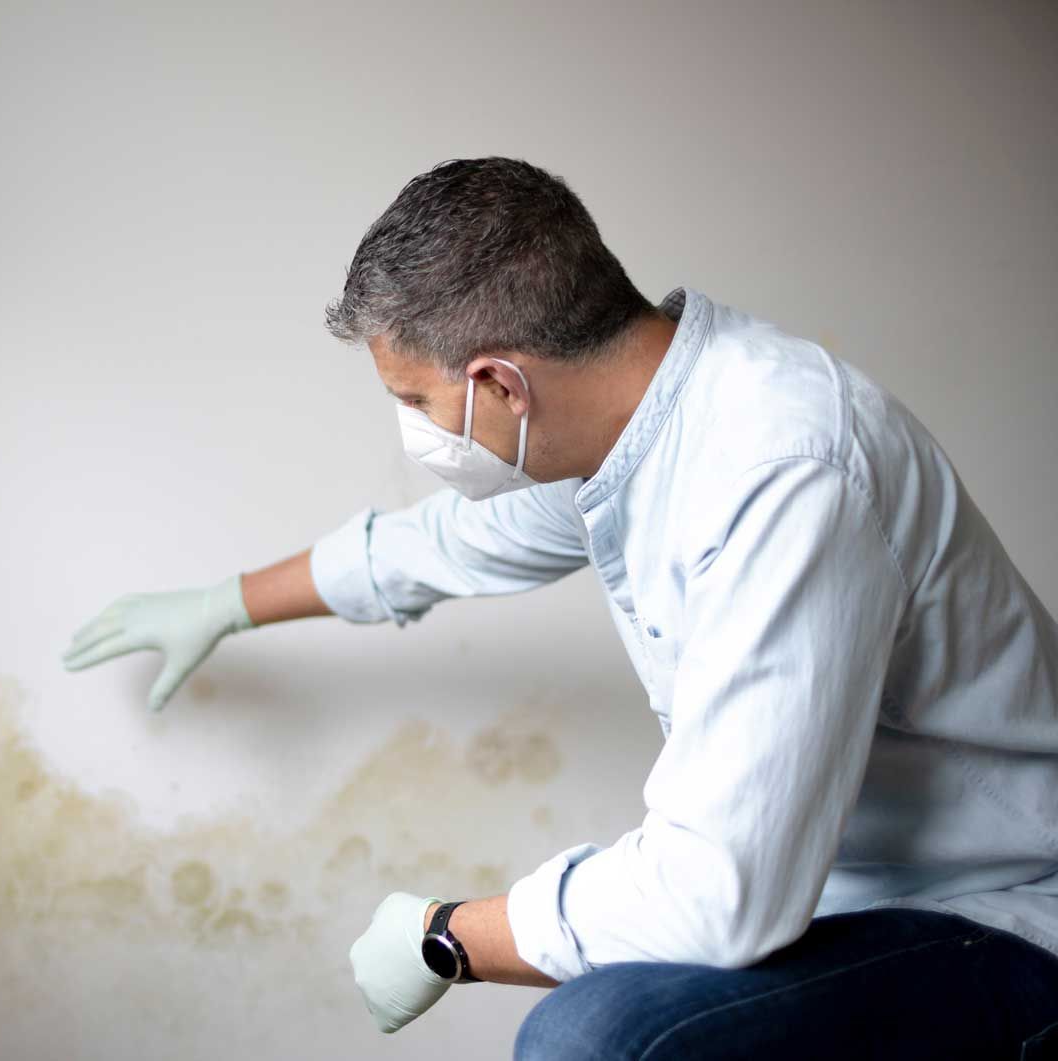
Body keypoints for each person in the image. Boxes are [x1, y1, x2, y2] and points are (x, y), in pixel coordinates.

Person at [61, 158, 1058, 1058]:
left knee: (597, 1035)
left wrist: (447, 935)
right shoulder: (643, 431)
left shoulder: (781, 468)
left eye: (413, 401)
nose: (412, 429)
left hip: (1001, 911)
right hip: (843, 902)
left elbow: (721, 896)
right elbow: (438, 546)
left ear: (498, 383)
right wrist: (223, 604)